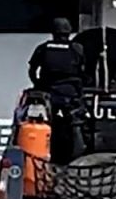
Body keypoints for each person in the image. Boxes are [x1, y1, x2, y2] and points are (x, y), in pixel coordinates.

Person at [28, 18, 86, 162]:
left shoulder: (43, 48)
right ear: (69, 32)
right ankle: (77, 157)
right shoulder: (77, 49)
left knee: (42, 123)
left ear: (53, 32)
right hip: (71, 93)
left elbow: (32, 70)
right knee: (76, 125)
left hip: (48, 93)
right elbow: (84, 71)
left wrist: (38, 85)